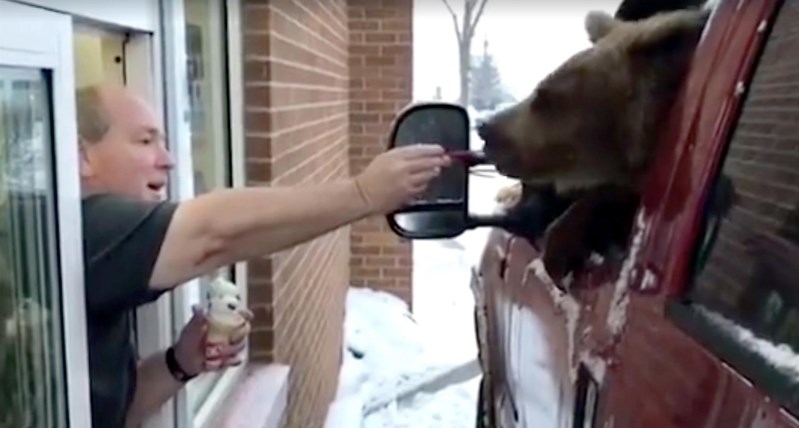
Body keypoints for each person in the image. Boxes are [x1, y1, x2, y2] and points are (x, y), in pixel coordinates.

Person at [75, 84, 451, 427]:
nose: (168, 160)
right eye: (145, 141)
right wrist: (362, 195)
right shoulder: (89, 228)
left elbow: (116, 410)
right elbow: (213, 234)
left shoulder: (89, 256)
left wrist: (180, 362)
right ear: (81, 157)